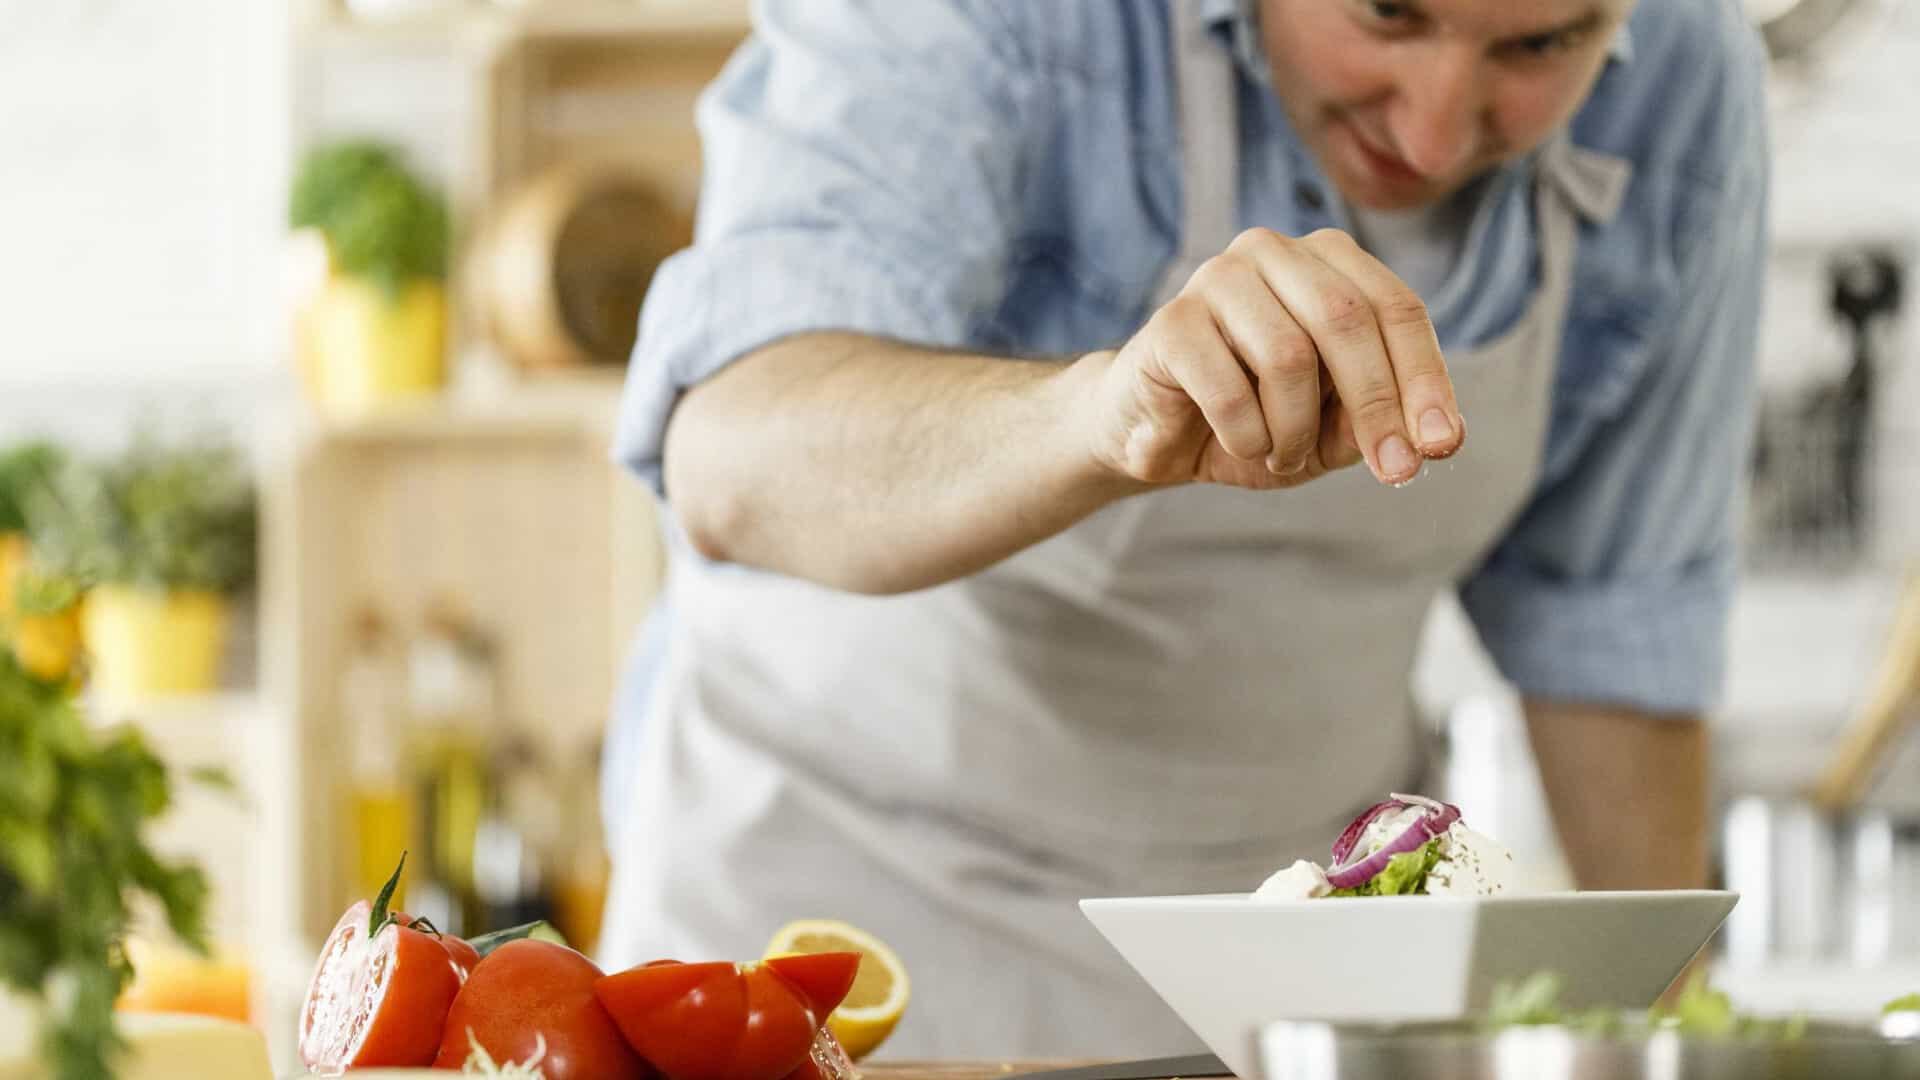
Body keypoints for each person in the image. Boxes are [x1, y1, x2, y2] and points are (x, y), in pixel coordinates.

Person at [597, 0, 1769, 1060]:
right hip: (840, 932)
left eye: (1539, 46)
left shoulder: (1685, 76)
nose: (1433, 134)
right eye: (1386, 16)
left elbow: (1615, 630)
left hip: (1292, 992)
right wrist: (1098, 419)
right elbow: (734, 455)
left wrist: (1668, 1040)